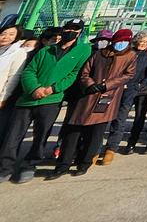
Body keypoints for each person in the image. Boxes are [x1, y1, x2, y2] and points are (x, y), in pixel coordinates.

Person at [0, 19, 91, 183]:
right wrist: (34, 89)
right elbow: (29, 71)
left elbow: (74, 74)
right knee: (13, 136)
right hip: (27, 99)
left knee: (40, 135)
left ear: (80, 32)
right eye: (68, 28)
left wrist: (52, 89)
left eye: (75, 29)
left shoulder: (83, 50)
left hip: (52, 99)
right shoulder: (46, 50)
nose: (70, 31)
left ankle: (29, 165)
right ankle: (5, 167)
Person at [49, 28, 137, 179]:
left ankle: (84, 163)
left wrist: (106, 85)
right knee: (73, 132)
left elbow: (128, 75)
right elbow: (85, 71)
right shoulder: (99, 54)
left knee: (95, 135)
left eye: (124, 41)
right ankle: (63, 165)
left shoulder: (130, 56)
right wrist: (89, 84)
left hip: (107, 98)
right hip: (87, 97)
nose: (121, 44)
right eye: (119, 41)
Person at [101, 30, 147, 162]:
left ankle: (112, 147)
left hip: (133, 89)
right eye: (141, 41)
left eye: (146, 42)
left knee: (121, 118)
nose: (143, 44)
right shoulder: (127, 53)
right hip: (116, 87)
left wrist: (140, 85)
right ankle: (98, 146)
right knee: (107, 116)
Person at [0, 24, 30, 142]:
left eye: (11, 34)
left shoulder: (18, 53)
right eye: (3, 34)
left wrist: (3, 98)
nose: (6, 37)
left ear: (17, 37)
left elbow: (13, 77)